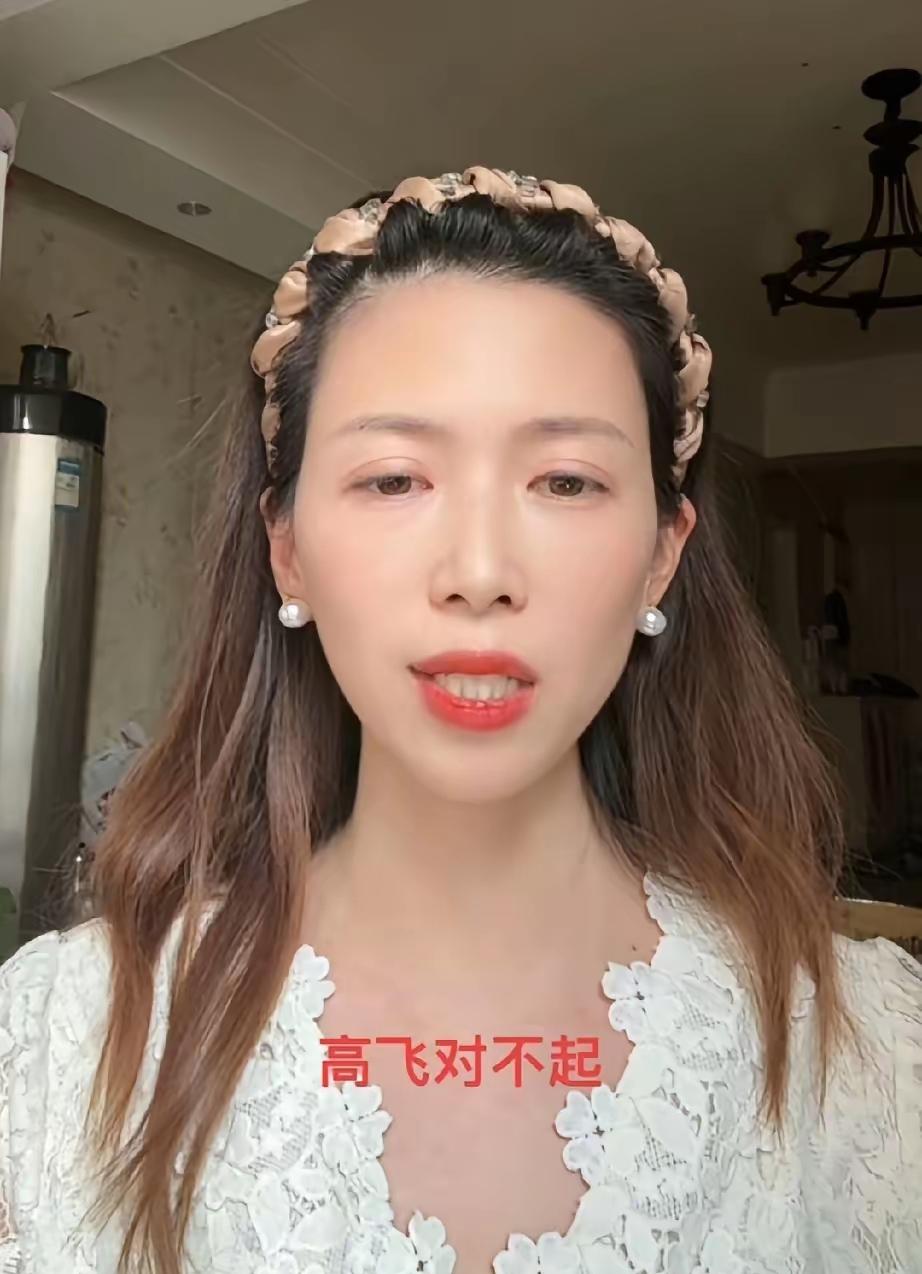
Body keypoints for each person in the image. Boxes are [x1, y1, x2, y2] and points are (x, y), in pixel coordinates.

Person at [0, 167, 919, 1274]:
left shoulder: (870, 1060)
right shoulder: (59, 1044)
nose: (479, 572)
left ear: (660, 555)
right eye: (394, 479)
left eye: (566, 482)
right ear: (287, 550)